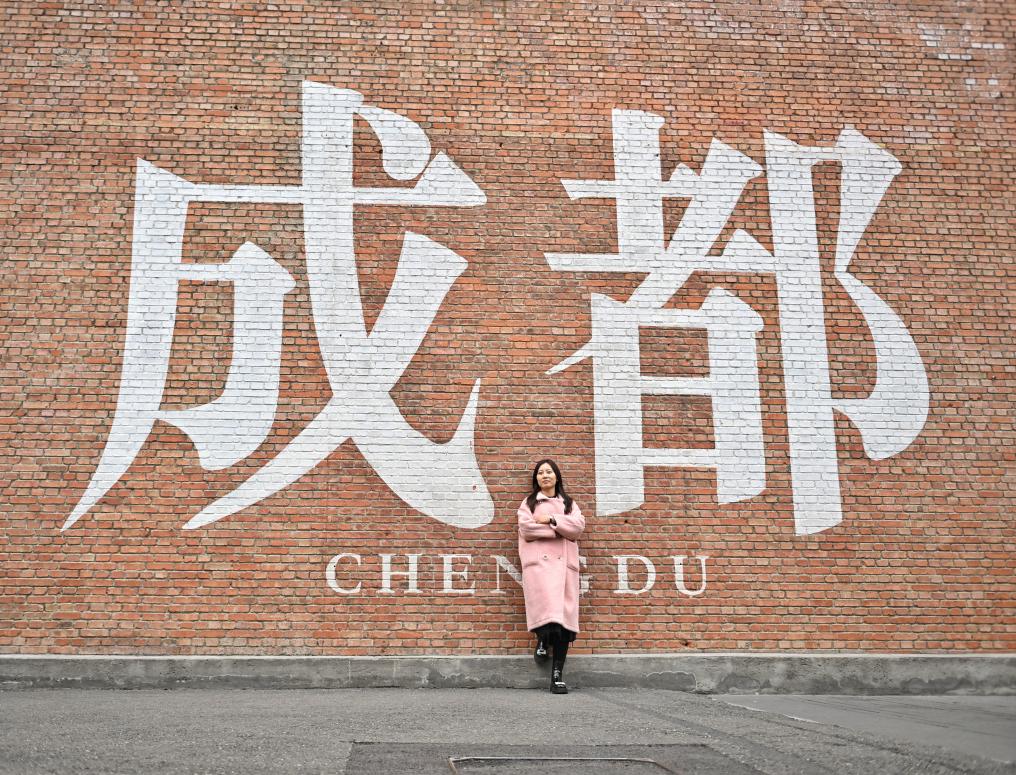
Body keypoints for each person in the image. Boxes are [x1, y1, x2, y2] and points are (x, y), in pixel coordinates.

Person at [517, 458, 585, 694]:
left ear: (557, 476)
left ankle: (557, 676)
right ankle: (542, 641)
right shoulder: (529, 503)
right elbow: (527, 529)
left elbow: (577, 528)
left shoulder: (569, 503)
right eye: (540, 472)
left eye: (549, 472)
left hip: (564, 568)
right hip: (540, 568)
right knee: (546, 614)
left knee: (564, 624)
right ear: (536, 478)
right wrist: (559, 530)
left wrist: (552, 519)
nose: (544, 475)